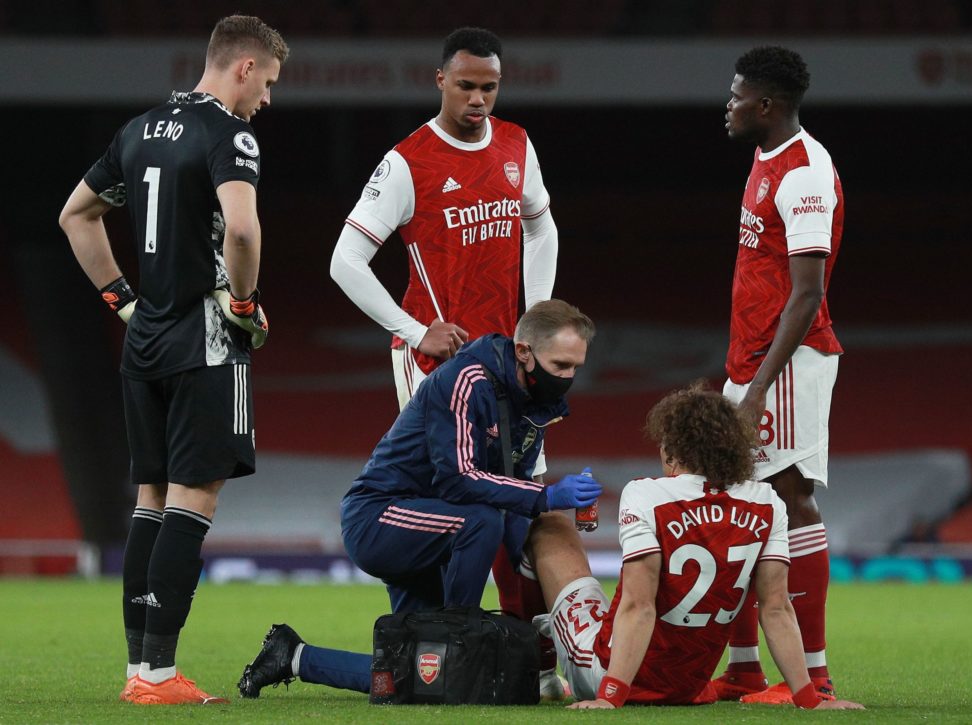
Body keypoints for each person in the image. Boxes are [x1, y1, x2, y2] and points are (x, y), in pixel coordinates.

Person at [58, 15, 287, 705]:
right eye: (268, 83)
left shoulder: (138, 130)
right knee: (194, 497)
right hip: (206, 340)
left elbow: (75, 214)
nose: (267, 101)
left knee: (150, 499)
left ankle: (139, 670)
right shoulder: (227, 133)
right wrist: (243, 304)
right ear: (243, 66)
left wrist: (122, 301)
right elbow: (242, 227)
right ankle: (159, 675)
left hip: (146, 339)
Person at [330, 36, 562, 689]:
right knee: (456, 498)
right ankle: (439, 645)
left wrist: (535, 320)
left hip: (511, 364)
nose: (478, 100)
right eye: (465, 86)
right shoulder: (408, 162)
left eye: (489, 87)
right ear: (440, 80)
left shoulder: (516, 144)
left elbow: (541, 226)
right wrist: (412, 329)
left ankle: (530, 658)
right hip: (438, 365)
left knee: (520, 511)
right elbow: (344, 259)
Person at [237, 300, 601, 699]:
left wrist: (530, 573)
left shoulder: (535, 403)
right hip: (379, 516)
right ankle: (463, 634)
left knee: (417, 678)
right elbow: (459, 481)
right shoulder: (469, 378)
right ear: (524, 352)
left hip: (432, 524)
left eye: (575, 368)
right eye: (560, 366)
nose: (568, 378)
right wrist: (546, 495)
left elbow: (510, 493)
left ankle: (292, 656)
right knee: (480, 524)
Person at [523, 384, 863, 710]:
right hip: (689, 686)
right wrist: (809, 699)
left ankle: (541, 668)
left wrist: (610, 696)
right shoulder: (766, 502)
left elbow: (639, 605)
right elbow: (776, 609)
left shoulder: (647, 495)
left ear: (673, 450)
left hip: (613, 675)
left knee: (549, 526)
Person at [711, 46, 845, 705]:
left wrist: (759, 388)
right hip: (752, 361)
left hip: (787, 367)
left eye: (736, 96)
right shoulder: (765, 160)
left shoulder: (804, 173)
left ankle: (813, 677)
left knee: (789, 497)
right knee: (736, 507)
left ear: (766, 104)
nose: (727, 106)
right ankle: (742, 669)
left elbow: (807, 293)